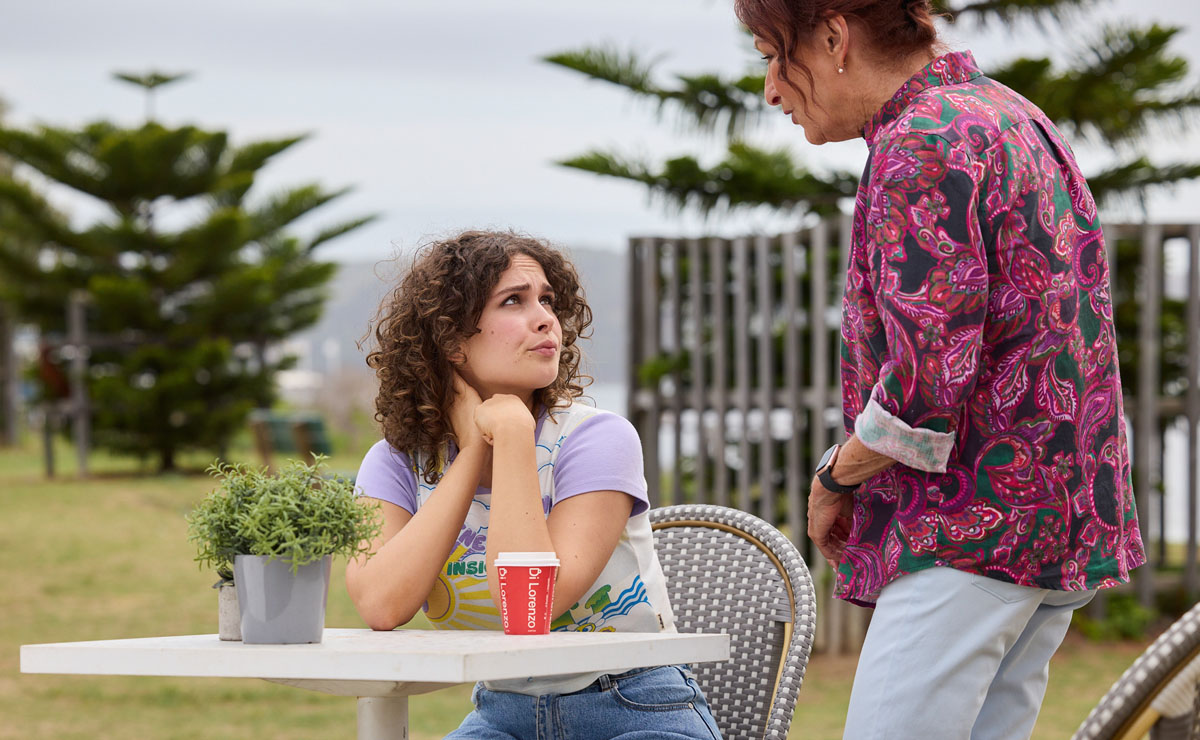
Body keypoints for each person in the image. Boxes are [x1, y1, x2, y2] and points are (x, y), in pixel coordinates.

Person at [732, 0, 1146, 738]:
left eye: (771, 55)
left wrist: (835, 476)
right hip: (1057, 514)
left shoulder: (919, 142)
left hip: (968, 527)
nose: (769, 89)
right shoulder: (1009, 113)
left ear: (833, 36)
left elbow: (925, 386)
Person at [345, 230, 723, 740]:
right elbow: (381, 605)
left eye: (547, 300)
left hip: (635, 705)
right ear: (451, 339)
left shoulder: (598, 438)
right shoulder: (395, 462)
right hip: (503, 713)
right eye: (513, 301)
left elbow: (528, 610)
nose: (546, 318)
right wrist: (474, 450)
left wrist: (514, 438)